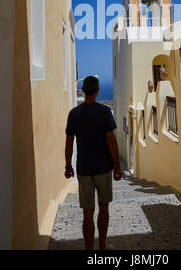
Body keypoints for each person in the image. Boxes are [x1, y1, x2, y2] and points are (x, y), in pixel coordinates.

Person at [64, 76, 122, 250]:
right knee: (103, 208)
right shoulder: (104, 112)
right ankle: (102, 247)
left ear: (83, 90)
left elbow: (69, 142)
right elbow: (111, 141)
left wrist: (68, 165)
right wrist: (117, 166)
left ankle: (89, 250)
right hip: (104, 168)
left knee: (87, 213)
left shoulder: (74, 113)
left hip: (84, 169)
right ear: (97, 91)